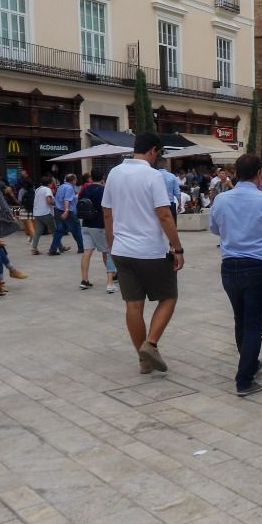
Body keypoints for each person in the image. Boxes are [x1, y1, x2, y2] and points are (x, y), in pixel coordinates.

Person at [209, 153, 262, 397]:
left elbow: (214, 228)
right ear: (259, 174)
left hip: (230, 266)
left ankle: (249, 363)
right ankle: (244, 379)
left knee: (240, 318)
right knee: (253, 324)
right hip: (257, 266)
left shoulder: (222, 200)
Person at [105, 132, 185, 374]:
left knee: (133, 304)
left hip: (121, 249)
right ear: (153, 151)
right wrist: (177, 248)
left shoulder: (114, 173)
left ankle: (143, 360)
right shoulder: (152, 176)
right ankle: (150, 344)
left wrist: (112, 245)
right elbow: (164, 214)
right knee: (169, 296)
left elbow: (107, 213)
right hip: (149, 250)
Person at [50, 173, 84, 255]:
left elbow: (57, 198)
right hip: (67, 212)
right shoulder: (69, 188)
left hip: (58, 210)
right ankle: (81, 247)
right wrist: (67, 210)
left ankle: (53, 248)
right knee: (76, 229)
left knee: (59, 230)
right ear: (73, 180)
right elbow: (67, 200)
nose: (76, 181)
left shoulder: (61, 186)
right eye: (75, 179)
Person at [30, 175, 57, 254]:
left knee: (38, 231)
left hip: (37, 213)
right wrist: (55, 203)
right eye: (52, 182)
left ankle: (34, 248)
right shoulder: (48, 190)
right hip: (46, 213)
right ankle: (59, 247)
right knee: (55, 231)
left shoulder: (38, 189)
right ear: (50, 183)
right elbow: (49, 200)